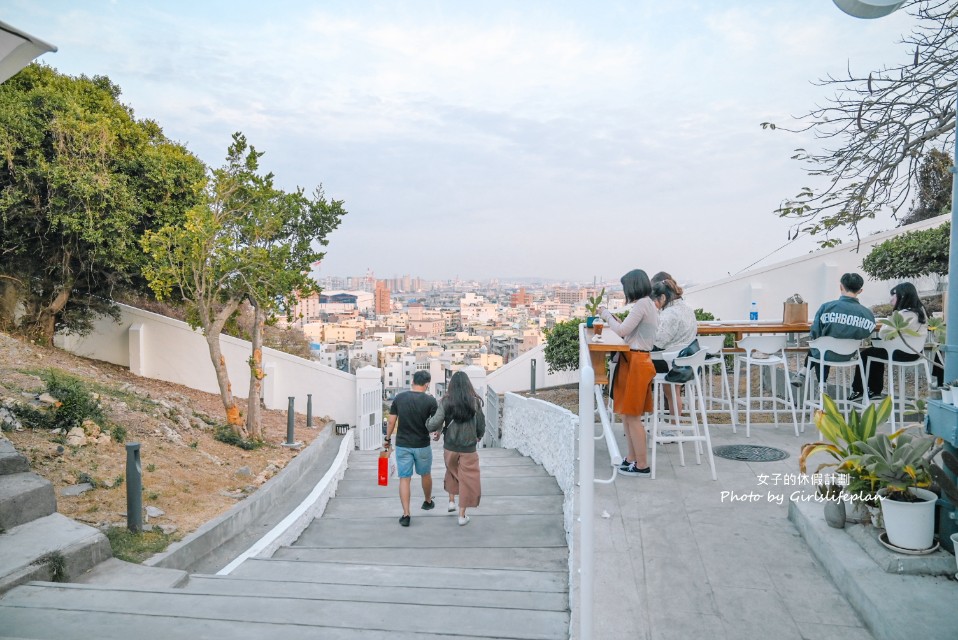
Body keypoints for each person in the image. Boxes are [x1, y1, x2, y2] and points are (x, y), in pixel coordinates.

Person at [598, 269, 658, 477]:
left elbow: (622, 331)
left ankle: (641, 464)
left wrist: (606, 315)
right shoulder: (648, 304)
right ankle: (632, 458)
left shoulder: (642, 304)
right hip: (634, 361)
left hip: (636, 363)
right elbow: (629, 330)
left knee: (632, 416)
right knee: (628, 415)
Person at [792, 272, 876, 388]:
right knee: (822, 347)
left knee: (820, 346)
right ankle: (812, 378)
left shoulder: (827, 307)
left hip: (824, 354)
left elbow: (815, 333)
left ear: (841, 287)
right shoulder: (867, 314)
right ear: (860, 291)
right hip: (848, 355)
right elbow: (868, 332)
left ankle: (818, 381)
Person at [850, 282, 928, 401]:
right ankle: (874, 390)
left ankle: (859, 390)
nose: (891, 299)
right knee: (876, 352)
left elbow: (883, 333)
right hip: (916, 353)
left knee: (866, 354)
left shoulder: (903, 314)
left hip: (901, 353)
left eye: (894, 295)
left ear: (902, 296)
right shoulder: (920, 312)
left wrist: (889, 319)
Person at [426, 371, 485, 526]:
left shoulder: (446, 401)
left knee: (452, 472)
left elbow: (434, 423)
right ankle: (462, 515)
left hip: (450, 447)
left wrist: (428, 423)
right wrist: (479, 435)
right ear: (468, 384)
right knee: (467, 479)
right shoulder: (474, 402)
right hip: (468, 448)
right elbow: (481, 423)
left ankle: (451, 502)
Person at [384, 370, 438, 527]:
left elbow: (391, 421)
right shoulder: (430, 401)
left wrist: (387, 439)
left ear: (413, 381)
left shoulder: (400, 397)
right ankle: (428, 501)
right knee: (425, 474)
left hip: (403, 445)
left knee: (404, 479)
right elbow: (435, 423)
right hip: (422, 444)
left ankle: (406, 514)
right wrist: (438, 432)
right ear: (427, 384)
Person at [650, 276, 697, 423]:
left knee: (636, 363)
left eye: (655, 300)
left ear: (663, 297)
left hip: (670, 362)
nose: (655, 305)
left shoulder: (670, 314)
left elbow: (659, 341)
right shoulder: (687, 309)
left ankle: (671, 427)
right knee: (673, 391)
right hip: (686, 361)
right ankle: (675, 426)